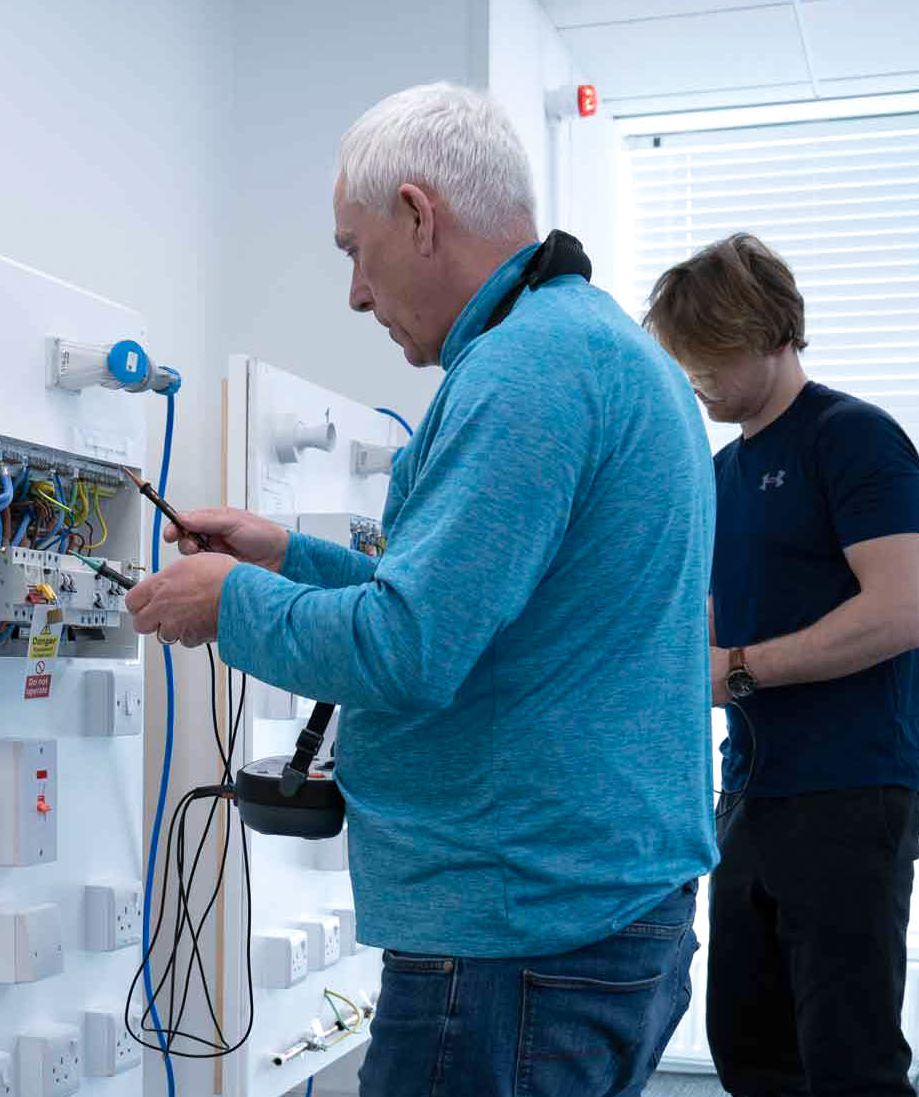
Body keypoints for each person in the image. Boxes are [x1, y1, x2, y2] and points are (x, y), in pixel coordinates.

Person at [124, 82, 716, 1095]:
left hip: (516, 938)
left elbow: (410, 649)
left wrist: (227, 602)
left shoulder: (525, 373)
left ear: (417, 214)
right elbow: (479, 616)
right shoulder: (597, 348)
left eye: (356, 251)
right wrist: (284, 556)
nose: (357, 294)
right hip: (582, 914)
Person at [645, 234, 919, 1097]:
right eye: (685, 356)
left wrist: (736, 670)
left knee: (849, 1062)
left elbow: (898, 612)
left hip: (851, 792)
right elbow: (704, 629)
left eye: (709, 353)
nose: (695, 377)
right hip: (748, 794)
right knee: (747, 1048)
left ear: (770, 333)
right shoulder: (720, 472)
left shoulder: (855, 439)